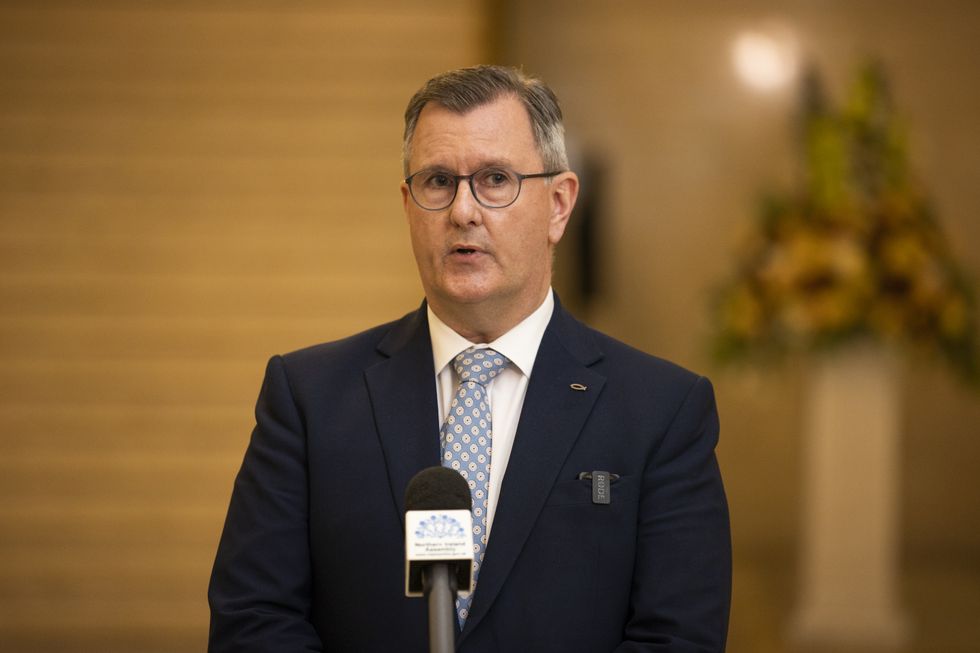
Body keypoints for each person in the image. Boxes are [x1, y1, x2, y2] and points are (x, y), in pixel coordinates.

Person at [208, 65, 731, 652]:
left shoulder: (661, 412)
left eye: (495, 179)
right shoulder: (308, 397)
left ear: (559, 204)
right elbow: (253, 620)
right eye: (437, 182)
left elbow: (678, 637)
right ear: (408, 205)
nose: (463, 211)